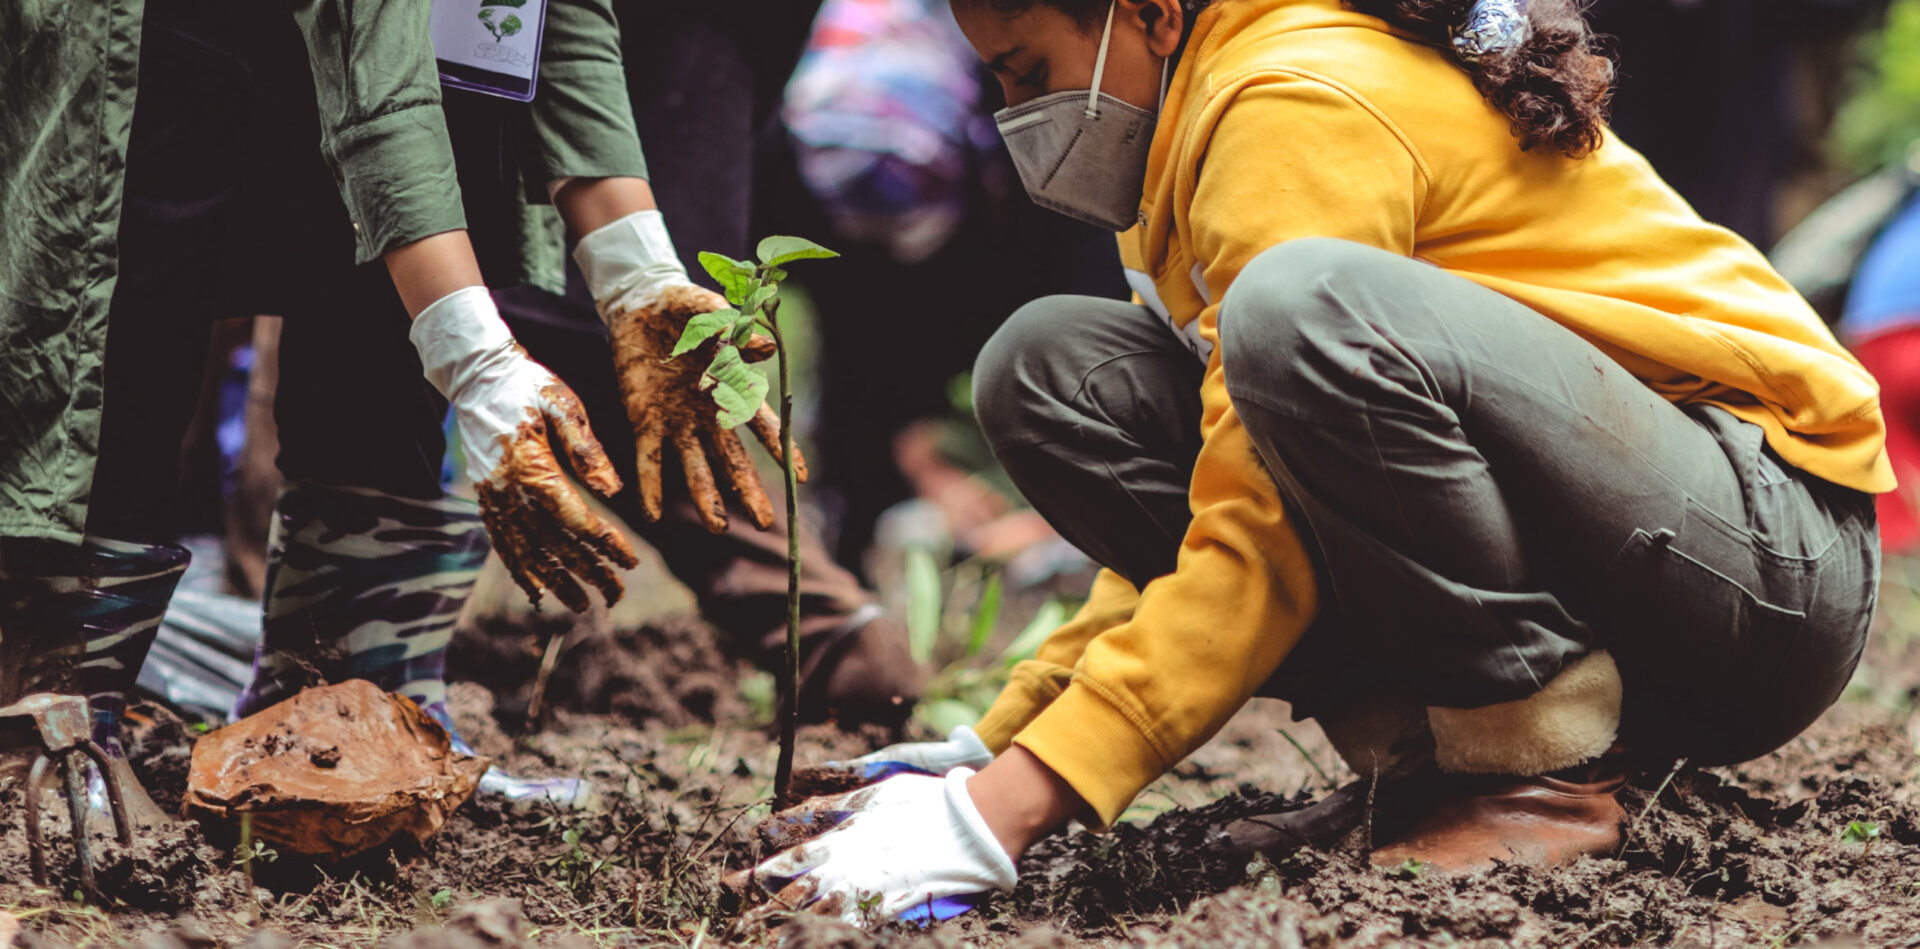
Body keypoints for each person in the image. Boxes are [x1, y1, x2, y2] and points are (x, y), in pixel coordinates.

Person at [733, 0, 1890, 926]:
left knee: (1301, 311)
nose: (1011, 111)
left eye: (1028, 69)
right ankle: (1431, 767)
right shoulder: (1179, 136)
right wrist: (1000, 738)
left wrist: (999, 818)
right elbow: (1216, 500)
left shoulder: (1289, 100)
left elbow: (1252, 527)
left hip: (1765, 570)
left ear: (1153, 15)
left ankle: (1534, 777)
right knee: (1051, 365)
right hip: (1629, 549)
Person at [0, 0, 638, 828]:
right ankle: (56, 724)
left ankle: (349, 712)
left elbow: (568, 18)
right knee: (136, 270)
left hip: (418, 43)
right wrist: (476, 361)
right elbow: (376, 57)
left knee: (382, 281)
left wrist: (645, 278)